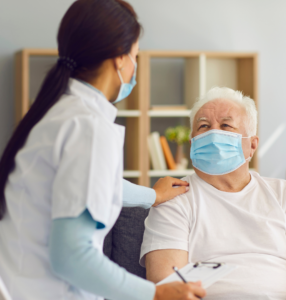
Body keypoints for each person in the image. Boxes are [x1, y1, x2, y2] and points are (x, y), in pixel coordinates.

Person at [0, 1, 207, 300]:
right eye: (135, 56)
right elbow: (72, 257)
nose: (135, 66)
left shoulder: (58, 113)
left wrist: (152, 196)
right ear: (119, 60)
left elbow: (90, 185)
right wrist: (157, 294)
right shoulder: (89, 127)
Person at [141, 87, 286, 300]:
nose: (213, 134)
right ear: (192, 144)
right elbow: (168, 288)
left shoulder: (283, 194)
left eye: (226, 125)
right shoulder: (173, 198)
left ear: (252, 145)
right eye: (203, 126)